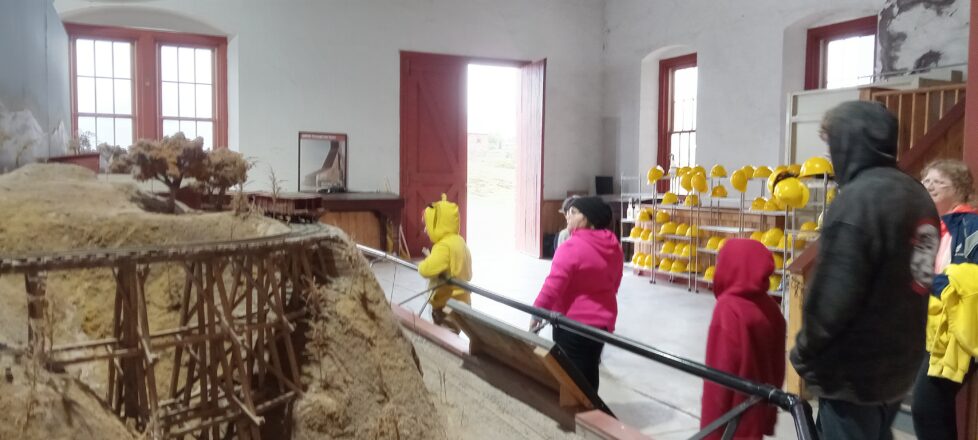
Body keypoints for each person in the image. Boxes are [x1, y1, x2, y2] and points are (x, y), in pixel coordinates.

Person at [789, 101, 939, 440]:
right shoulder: (917, 194)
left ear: (848, 143)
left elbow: (833, 297)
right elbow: (921, 277)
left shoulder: (858, 199)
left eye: (832, 145)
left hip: (852, 374)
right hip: (899, 367)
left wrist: (804, 352)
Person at [912, 159, 978, 440]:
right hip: (931, 328)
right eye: (926, 181)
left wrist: (929, 283)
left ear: (960, 190)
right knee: (933, 407)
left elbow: (968, 278)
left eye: (938, 182)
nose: (929, 187)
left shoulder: (970, 223)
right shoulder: (930, 228)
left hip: (956, 331)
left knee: (927, 405)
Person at [530, 196, 623, 392]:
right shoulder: (613, 247)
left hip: (572, 324)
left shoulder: (571, 247)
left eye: (574, 212)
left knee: (571, 378)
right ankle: (591, 414)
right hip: (601, 325)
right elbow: (615, 283)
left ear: (587, 218)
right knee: (589, 371)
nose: (568, 216)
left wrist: (537, 311)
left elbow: (553, 286)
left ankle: (577, 417)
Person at [701, 239, 785, 440]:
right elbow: (777, 369)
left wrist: (709, 434)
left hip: (730, 426)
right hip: (755, 417)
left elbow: (718, 383)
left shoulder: (728, 310)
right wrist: (769, 417)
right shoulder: (772, 309)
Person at [417, 194, 472, 334]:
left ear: (438, 225)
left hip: (447, 304)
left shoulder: (443, 246)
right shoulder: (460, 242)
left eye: (427, 226)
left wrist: (423, 264)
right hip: (464, 302)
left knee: (445, 336)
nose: (425, 230)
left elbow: (426, 270)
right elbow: (468, 272)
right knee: (454, 332)